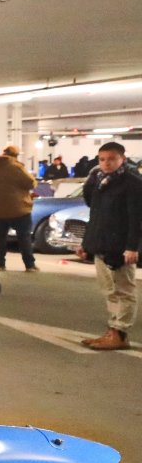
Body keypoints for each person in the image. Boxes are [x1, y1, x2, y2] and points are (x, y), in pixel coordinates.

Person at [76, 141, 142, 351]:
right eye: (102, 159)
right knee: (109, 290)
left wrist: (132, 247)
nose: (106, 163)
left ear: (123, 159)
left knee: (124, 290)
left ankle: (120, 333)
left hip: (120, 246)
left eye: (112, 159)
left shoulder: (132, 182)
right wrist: (87, 244)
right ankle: (113, 329)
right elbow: (95, 215)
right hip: (101, 244)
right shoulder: (99, 181)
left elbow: (136, 218)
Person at [0, 144, 37, 271]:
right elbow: (31, 183)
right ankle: (29, 265)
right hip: (19, 208)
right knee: (24, 237)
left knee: (0, 237)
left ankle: (0, 264)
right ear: (15, 155)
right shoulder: (16, 167)